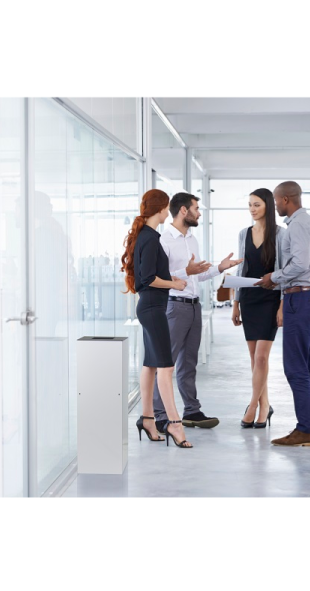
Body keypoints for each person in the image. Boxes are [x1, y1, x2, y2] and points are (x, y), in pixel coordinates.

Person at [152, 192, 242, 433]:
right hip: (174, 306)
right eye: (196, 208)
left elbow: (198, 274)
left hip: (194, 305)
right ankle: (159, 415)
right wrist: (186, 271)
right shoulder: (163, 240)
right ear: (183, 210)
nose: (199, 213)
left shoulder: (192, 239)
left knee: (189, 363)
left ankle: (191, 411)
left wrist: (219, 268)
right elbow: (159, 278)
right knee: (165, 363)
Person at [256, 181, 310, 447]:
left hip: (300, 298)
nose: (275, 206)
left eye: (276, 201)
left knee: (295, 368)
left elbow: (299, 263)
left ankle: (306, 430)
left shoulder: (298, 225)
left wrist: (273, 278)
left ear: (286, 199)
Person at [120, 189, 192, 448]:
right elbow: (147, 280)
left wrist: (174, 280)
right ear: (161, 209)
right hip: (152, 308)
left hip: (151, 307)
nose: (168, 211)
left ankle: (147, 418)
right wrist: (175, 283)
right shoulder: (150, 238)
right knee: (166, 366)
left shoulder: (147, 236)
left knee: (151, 365)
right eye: (166, 207)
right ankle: (174, 423)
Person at [231, 189, 284, 428]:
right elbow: (240, 271)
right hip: (249, 300)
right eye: (250, 205)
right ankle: (265, 405)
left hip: (270, 300)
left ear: (268, 207)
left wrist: (282, 305)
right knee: (254, 359)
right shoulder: (244, 234)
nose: (252, 209)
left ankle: (252, 405)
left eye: (257, 205)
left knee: (262, 357)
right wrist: (235, 303)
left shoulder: (281, 235)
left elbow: (284, 270)